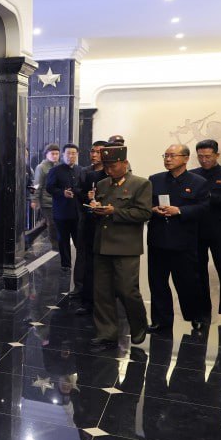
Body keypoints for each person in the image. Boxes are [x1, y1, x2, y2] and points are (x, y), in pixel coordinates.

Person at [87, 144, 150, 350]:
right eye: (106, 166)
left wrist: (114, 211)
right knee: (102, 292)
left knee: (127, 290)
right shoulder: (102, 184)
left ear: (124, 163)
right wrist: (95, 208)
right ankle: (106, 333)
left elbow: (144, 213)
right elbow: (99, 210)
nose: (109, 170)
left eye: (113, 166)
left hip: (126, 246)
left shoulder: (140, 184)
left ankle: (139, 325)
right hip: (102, 244)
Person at [147, 144, 210, 332]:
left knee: (188, 282)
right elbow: (145, 204)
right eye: (165, 155)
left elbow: (204, 208)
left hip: (184, 241)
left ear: (186, 158)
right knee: (157, 283)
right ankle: (161, 321)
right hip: (158, 239)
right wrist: (153, 209)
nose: (168, 159)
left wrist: (180, 210)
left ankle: (196, 316)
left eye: (172, 156)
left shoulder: (198, 182)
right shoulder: (155, 179)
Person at [190, 139, 221, 326]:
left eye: (208, 156)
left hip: (219, 229)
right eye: (200, 157)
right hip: (197, 228)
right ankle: (203, 308)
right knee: (198, 269)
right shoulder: (192, 175)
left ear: (217, 155)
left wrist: (208, 195)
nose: (204, 160)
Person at [72, 140, 108, 314]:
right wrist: (86, 196)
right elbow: (78, 191)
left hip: (107, 224)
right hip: (87, 220)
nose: (94, 155)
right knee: (85, 259)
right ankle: (85, 295)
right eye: (92, 151)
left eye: (98, 152)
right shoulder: (87, 172)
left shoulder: (114, 174)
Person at [45, 144, 83, 271]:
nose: (71, 156)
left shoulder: (80, 170)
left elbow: (83, 187)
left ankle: (82, 263)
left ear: (77, 155)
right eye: (68, 153)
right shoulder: (55, 170)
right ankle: (66, 264)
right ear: (63, 154)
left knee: (79, 240)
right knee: (63, 239)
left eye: (73, 153)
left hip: (77, 211)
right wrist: (62, 193)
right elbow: (49, 187)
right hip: (61, 211)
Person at [33, 144, 61, 250]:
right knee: (52, 223)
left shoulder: (59, 166)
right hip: (46, 201)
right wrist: (34, 199)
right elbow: (37, 185)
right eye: (52, 154)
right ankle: (56, 245)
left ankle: (28, 238)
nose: (55, 156)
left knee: (46, 223)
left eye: (57, 154)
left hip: (58, 201)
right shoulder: (41, 167)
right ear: (46, 154)